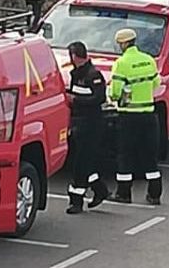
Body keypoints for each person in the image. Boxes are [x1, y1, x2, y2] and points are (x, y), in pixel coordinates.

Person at [108, 28, 163, 205]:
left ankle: (124, 193)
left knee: (125, 155)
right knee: (150, 156)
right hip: (149, 115)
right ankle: (154, 194)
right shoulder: (148, 60)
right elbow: (156, 83)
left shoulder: (121, 63)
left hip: (128, 116)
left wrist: (113, 94)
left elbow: (115, 92)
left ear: (123, 44)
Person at [65, 41, 110, 214]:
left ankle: (76, 201)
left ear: (75, 56)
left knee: (81, 163)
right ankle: (100, 189)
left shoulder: (93, 75)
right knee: (83, 161)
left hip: (91, 124)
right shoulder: (77, 75)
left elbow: (99, 99)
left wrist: (76, 101)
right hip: (78, 122)